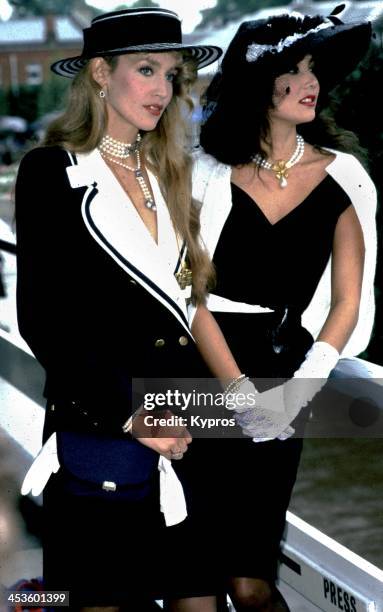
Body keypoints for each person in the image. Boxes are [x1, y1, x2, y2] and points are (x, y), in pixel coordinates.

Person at [15, 8, 228, 611]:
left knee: (198, 597)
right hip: (109, 424)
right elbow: (43, 321)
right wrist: (136, 416)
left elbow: (189, 306)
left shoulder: (170, 171)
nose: (163, 89)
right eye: (146, 69)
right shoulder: (52, 171)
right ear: (101, 75)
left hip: (189, 425)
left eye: (172, 74)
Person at [191, 7, 377, 610]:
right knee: (192, 578)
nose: (310, 81)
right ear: (257, 86)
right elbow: (188, 295)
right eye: (293, 70)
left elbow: (347, 300)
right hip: (200, 368)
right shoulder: (207, 177)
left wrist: (300, 390)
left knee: (250, 584)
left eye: (314, 68)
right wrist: (238, 392)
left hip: (286, 381)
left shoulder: (343, 176)